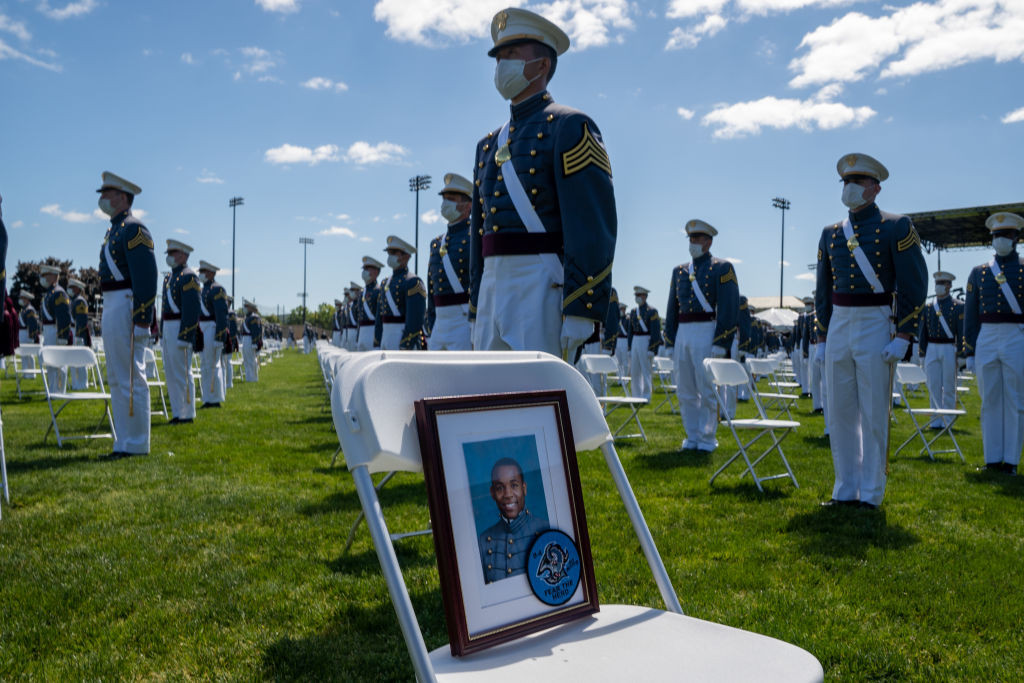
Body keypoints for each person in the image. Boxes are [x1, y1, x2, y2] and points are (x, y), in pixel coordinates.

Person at [469, 7, 617, 360]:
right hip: (493, 284)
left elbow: (591, 224)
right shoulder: (488, 144)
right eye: (499, 57)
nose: (502, 65)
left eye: (512, 55)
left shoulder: (570, 126)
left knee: (539, 401)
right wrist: (477, 299)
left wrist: (582, 305)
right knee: (487, 397)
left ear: (541, 65)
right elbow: (479, 232)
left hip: (540, 284)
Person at [815, 153, 928, 509]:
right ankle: (845, 488)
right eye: (846, 182)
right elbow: (823, 290)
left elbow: (914, 283)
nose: (850, 188)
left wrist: (905, 334)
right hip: (840, 323)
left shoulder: (897, 226)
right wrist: (821, 335)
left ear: (875, 188)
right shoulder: (830, 233)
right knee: (840, 410)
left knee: (874, 410)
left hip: (876, 321)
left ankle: (872, 491)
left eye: (858, 182)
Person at [664, 219, 739, 453]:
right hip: (684, 333)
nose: (693, 243)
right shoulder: (679, 271)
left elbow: (729, 306)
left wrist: (721, 340)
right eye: (691, 239)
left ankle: (707, 437)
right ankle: (692, 435)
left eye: (697, 239)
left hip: (707, 330)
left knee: (707, 388)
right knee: (685, 388)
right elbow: (672, 308)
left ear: (708, 242)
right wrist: (670, 339)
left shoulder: (721, 267)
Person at [96, 171, 157, 458]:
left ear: (122, 197)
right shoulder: (115, 229)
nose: (102, 199)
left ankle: (137, 442)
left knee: (132, 375)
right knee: (118, 377)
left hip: (127, 303)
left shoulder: (134, 229)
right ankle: (123, 440)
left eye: (107, 193)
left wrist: (142, 318)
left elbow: (146, 278)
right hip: (112, 303)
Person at [962, 212, 1024, 475]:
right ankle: (992, 459)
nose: (1001, 240)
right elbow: (971, 313)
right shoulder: (979, 272)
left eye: (1006, 235)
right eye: (997, 235)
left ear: (1016, 238)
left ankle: (1010, 461)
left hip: (1016, 335)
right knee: (989, 400)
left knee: (1016, 400)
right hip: (986, 335)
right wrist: (969, 350)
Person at [477, 457, 549, 584]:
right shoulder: (483, 541)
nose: (508, 494)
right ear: (492, 493)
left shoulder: (546, 530)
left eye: (514, 485)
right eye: (500, 488)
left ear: (524, 488)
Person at [426, 173, 473, 350]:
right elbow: (432, 289)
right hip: (439, 324)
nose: (446, 204)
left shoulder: (475, 237)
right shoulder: (436, 243)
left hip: (464, 321)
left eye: (451, 199)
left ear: (468, 205)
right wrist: (431, 325)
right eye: (444, 199)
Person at [160, 240, 200, 424]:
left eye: (173, 252)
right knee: (170, 372)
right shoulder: (169, 278)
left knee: (182, 372)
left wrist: (186, 335)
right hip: (168, 327)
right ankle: (177, 411)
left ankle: (187, 413)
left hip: (179, 326)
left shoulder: (189, 277)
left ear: (183, 255)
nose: (169, 256)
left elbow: (191, 310)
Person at [918, 271, 963, 428]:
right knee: (933, 385)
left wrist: (961, 353)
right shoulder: (929, 307)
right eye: (937, 283)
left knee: (949, 386)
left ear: (949, 286)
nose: (939, 287)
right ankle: (935, 420)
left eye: (942, 284)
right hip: (932, 347)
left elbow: (961, 331)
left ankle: (948, 420)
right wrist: (922, 352)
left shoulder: (958, 307)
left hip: (949, 347)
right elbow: (923, 332)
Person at [375, 236, 426, 350]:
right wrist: (377, 341)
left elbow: (415, 320)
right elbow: (379, 318)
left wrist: (405, 344)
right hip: (385, 339)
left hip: (401, 338)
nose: (390, 256)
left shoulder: (413, 281)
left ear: (406, 256)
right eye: (389, 253)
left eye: (393, 252)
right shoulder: (385, 283)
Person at [197, 260, 229, 409]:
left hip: (211, 328)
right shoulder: (203, 289)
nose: (201, 274)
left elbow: (222, 315)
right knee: (204, 364)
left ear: (211, 273)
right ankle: (207, 398)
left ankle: (215, 398)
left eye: (203, 271)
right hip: (203, 328)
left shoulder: (217, 289)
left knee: (213, 365)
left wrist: (219, 336)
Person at [39, 264, 72, 390]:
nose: (43, 278)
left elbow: (64, 317)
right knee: (50, 361)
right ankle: (52, 389)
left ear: (53, 276)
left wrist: (63, 336)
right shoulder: (50, 293)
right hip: (49, 331)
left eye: (45, 275)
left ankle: (59, 390)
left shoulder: (59, 294)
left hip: (55, 330)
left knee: (58, 362)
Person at [627, 286, 660, 400]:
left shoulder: (652, 311)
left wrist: (652, 348)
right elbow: (630, 331)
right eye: (636, 295)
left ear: (645, 296)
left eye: (639, 295)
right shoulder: (633, 312)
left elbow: (655, 332)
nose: (637, 297)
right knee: (635, 370)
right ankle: (636, 395)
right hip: (636, 340)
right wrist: (630, 347)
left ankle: (646, 395)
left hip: (646, 340)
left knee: (646, 370)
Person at [67, 278, 91, 389]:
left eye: (72, 287)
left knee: (80, 360)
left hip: (78, 333)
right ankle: (76, 383)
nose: (70, 289)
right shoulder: (74, 300)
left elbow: (81, 321)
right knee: (73, 359)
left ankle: (83, 383)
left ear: (77, 289)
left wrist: (79, 336)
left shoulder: (80, 301)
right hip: (73, 331)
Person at [356, 256, 384, 351]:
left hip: (373, 333)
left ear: (376, 272)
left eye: (368, 269)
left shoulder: (379, 291)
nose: (364, 271)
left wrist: (378, 340)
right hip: (362, 335)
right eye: (364, 269)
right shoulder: (361, 293)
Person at [17, 291, 40, 367]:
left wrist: (31, 337)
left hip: (26, 334)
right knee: (24, 354)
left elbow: (33, 325)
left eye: (22, 298)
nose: (20, 299)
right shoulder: (24, 309)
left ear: (26, 299)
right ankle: (25, 372)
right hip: (22, 333)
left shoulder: (30, 310)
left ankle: (31, 374)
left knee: (29, 354)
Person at [241, 300, 262, 381]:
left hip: (250, 340)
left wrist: (255, 343)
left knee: (251, 360)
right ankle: (248, 378)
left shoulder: (254, 317)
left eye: (246, 306)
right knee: (246, 360)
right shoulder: (248, 317)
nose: (244, 308)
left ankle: (253, 378)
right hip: (246, 339)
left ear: (250, 308)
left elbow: (255, 331)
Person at [224, 297, 238, 388]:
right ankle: (224, 381)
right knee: (223, 362)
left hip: (228, 340)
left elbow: (233, 328)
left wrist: (231, 340)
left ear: (229, 302)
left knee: (228, 362)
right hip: (222, 339)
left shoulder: (231, 313)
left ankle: (229, 383)